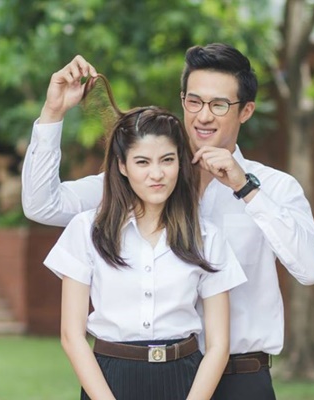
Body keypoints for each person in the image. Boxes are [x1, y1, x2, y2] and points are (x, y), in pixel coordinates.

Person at [23, 43, 314, 399]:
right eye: (194, 101)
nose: (203, 116)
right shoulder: (142, 180)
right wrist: (53, 112)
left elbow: (312, 268)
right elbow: (42, 205)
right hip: (161, 376)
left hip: (239, 375)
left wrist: (244, 187)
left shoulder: (273, 187)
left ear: (246, 110)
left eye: (219, 105)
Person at [42, 90, 247, 399]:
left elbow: (218, 345)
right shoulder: (86, 230)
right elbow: (72, 336)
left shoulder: (207, 237)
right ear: (122, 166)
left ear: (180, 163)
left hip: (185, 379)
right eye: (142, 162)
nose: (157, 174)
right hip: (109, 379)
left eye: (167, 160)